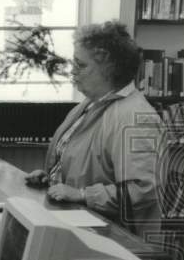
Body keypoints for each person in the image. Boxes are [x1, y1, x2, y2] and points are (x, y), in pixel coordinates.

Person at [25, 21, 165, 238]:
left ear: (109, 68)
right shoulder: (89, 104)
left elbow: (141, 190)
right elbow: (86, 166)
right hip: (85, 231)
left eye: (81, 65)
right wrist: (52, 178)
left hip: (116, 244)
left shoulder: (135, 117)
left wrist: (82, 194)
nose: (72, 71)